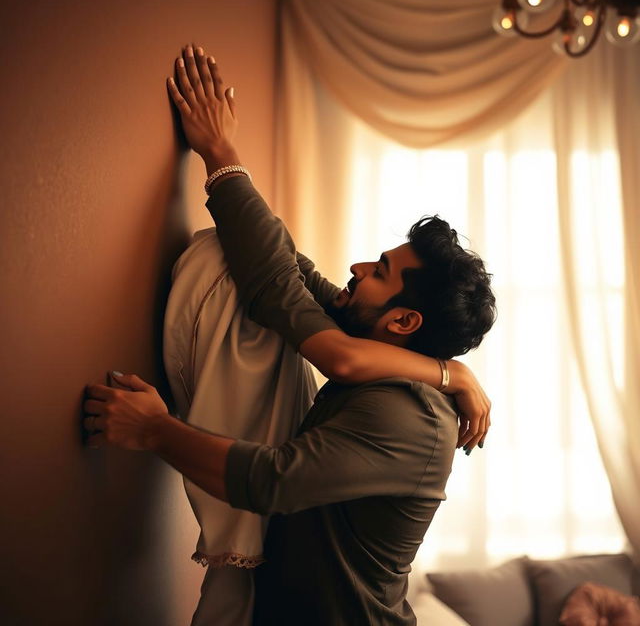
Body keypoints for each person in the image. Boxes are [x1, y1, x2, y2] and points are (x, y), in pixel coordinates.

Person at [83, 44, 496, 625]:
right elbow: (285, 274)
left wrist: (154, 429)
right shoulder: (379, 349)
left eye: (379, 273)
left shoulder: (412, 420)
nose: (356, 271)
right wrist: (221, 157)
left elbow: (271, 481)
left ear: (404, 322)